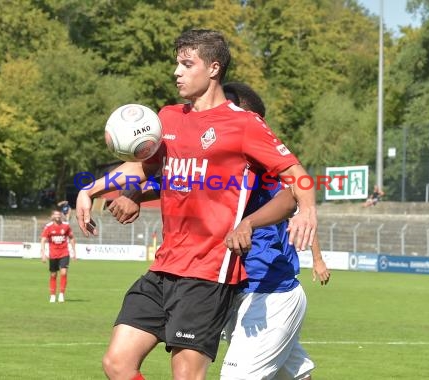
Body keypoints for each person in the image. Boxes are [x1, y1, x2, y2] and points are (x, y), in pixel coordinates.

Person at [76, 29, 319, 380]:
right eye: (177, 63)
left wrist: (307, 209)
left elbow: (296, 175)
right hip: (164, 268)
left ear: (213, 68)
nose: (177, 71)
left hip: (208, 274)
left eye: (187, 64)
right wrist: (91, 189)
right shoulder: (168, 118)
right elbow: (142, 166)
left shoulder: (244, 124)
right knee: (117, 363)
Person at [40, 209, 76, 303]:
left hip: (64, 253)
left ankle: (61, 294)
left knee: (63, 272)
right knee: (53, 274)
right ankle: (52, 295)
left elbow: (71, 238)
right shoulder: (48, 227)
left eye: (59, 214)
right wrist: (43, 254)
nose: (58, 216)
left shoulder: (66, 226)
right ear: (52, 216)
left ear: (61, 215)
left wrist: (74, 252)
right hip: (53, 254)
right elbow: (43, 240)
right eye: (56, 214)